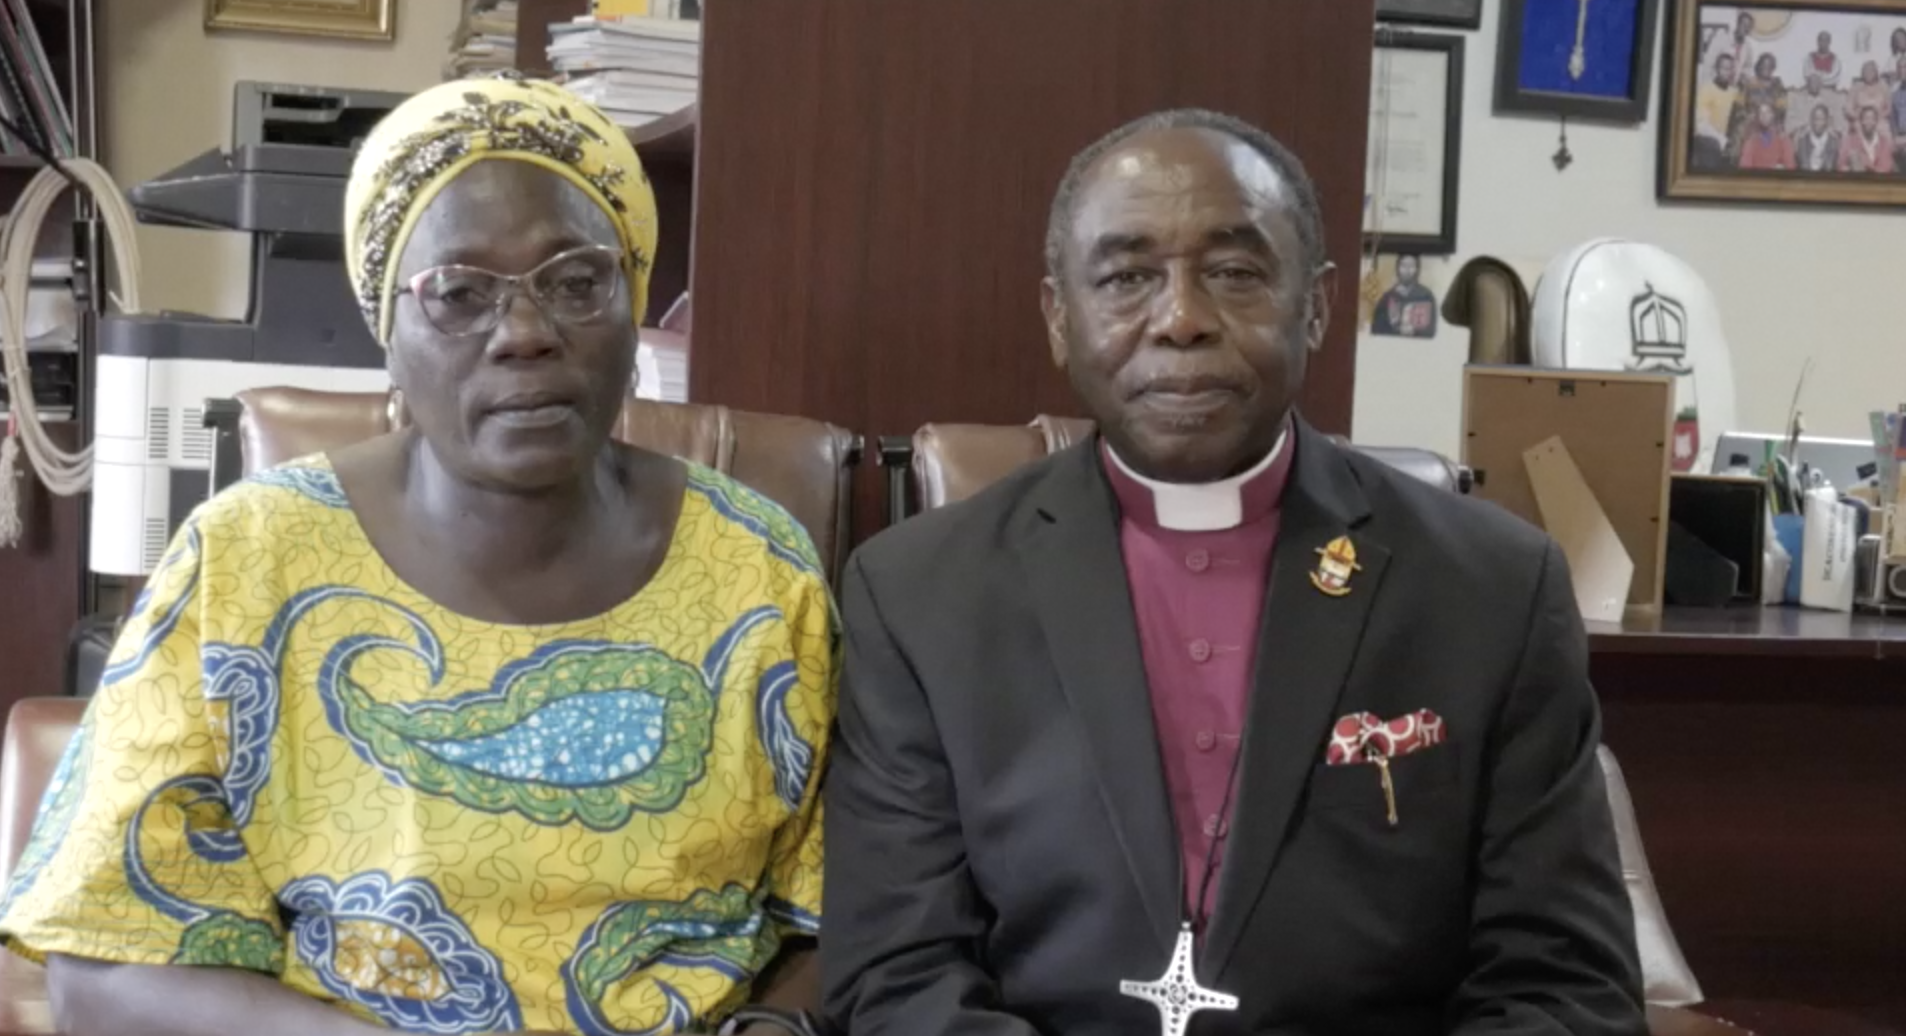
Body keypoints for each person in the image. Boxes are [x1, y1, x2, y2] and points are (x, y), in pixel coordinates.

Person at [0, 74, 834, 1036]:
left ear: (632, 303)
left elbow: (842, 922)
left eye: (575, 282)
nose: (524, 333)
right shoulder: (245, 563)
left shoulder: (760, 570)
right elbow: (105, 964)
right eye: (458, 294)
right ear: (385, 333)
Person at [820, 108, 1645, 1036]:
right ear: (1060, 316)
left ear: (1320, 304)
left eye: (1235, 272)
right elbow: (894, 977)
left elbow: (1565, 988)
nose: (1180, 320)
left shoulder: (1491, 588)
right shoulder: (920, 594)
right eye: (1128, 277)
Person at [1369, 253, 1437, 337]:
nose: (1407, 270)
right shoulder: (1387, 297)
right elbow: (1376, 329)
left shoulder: (1426, 296)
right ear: (1397, 268)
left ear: (1417, 269)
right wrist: (1398, 331)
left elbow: (1431, 331)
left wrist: (1414, 331)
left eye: (1411, 266)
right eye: (1403, 265)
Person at [1694, 54, 1742, 169]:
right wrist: (1723, 140)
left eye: (1731, 69)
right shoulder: (1706, 90)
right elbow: (1701, 125)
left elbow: (1739, 118)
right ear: (1717, 69)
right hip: (1707, 141)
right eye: (1724, 68)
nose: (1728, 72)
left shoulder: (1734, 92)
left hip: (1727, 143)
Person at [1740, 101, 1798, 169]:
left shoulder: (1784, 140)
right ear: (1758, 117)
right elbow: (1745, 167)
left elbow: (1790, 166)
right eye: (1761, 113)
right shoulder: (1751, 142)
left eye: (1767, 112)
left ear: (1773, 115)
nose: (1764, 115)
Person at [1842, 103, 1896, 173]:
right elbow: (1841, 165)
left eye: (1872, 119)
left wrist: (1866, 164)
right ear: (1861, 121)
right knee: (1854, 156)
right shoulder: (1850, 141)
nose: (1869, 122)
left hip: (1878, 181)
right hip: (1855, 180)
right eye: (1866, 118)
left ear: (1876, 122)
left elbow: (1885, 168)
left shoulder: (1884, 142)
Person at [1795, 102, 1843, 172]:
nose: (1816, 123)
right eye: (1815, 119)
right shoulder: (1803, 140)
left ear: (1826, 121)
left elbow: (1829, 166)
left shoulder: (1833, 141)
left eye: (1820, 119)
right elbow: (1804, 165)